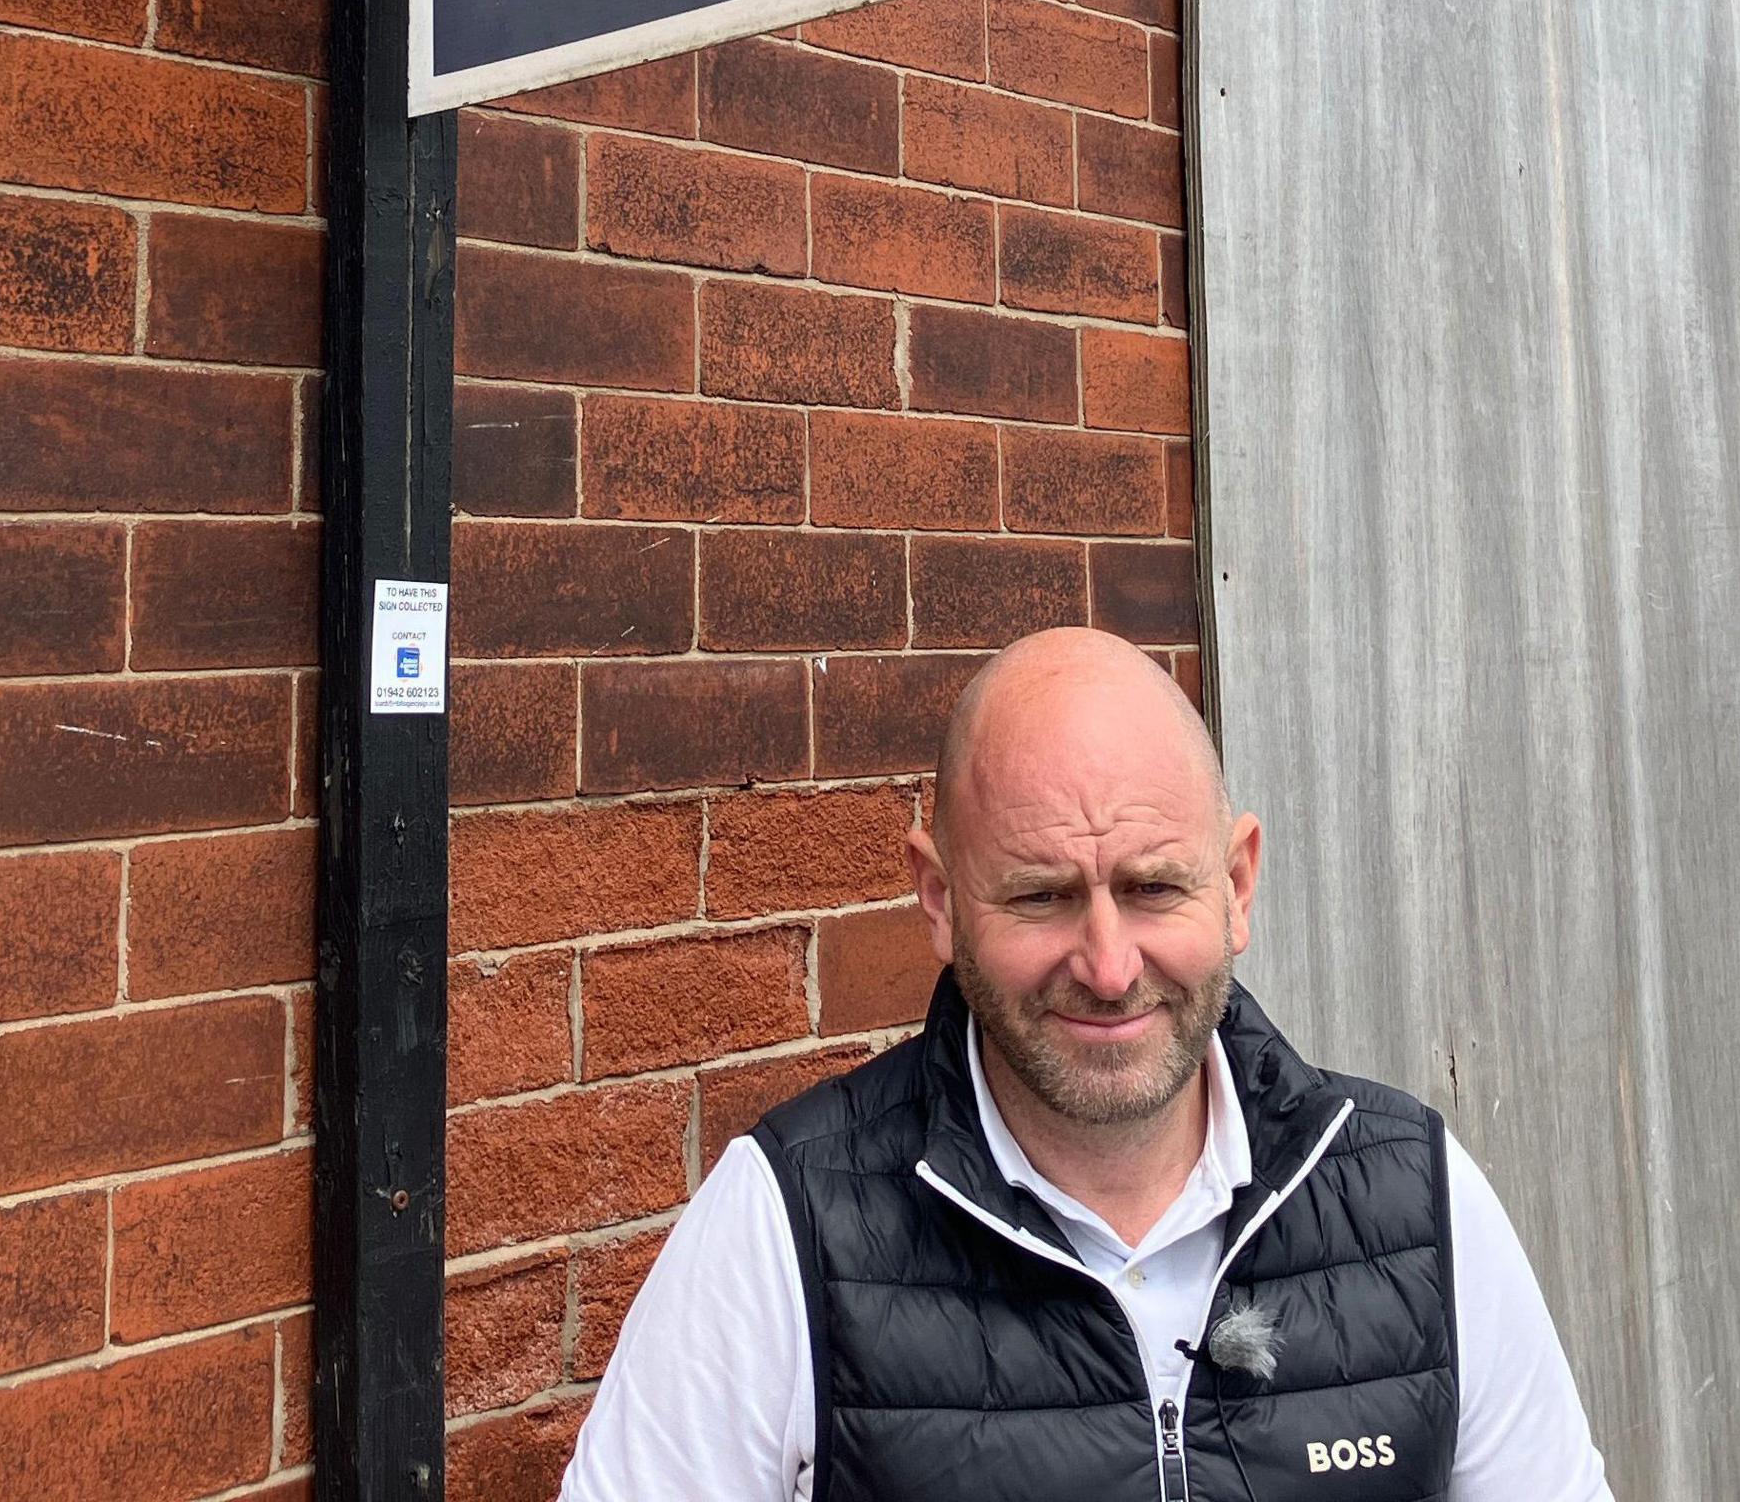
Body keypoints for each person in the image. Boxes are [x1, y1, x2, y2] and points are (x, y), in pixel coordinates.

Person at [560, 627, 1611, 1500]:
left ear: (1238, 884)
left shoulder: (1413, 1196)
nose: (1110, 968)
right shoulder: (787, 1228)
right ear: (939, 896)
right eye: (1039, 896)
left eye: (1154, 889)